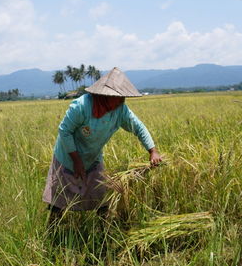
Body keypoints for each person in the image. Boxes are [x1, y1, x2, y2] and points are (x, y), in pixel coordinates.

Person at [42, 67, 162, 221]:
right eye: (117, 97)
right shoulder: (81, 106)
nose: (121, 100)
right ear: (104, 95)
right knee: (58, 203)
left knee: (101, 199)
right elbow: (64, 132)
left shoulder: (120, 110)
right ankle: (53, 233)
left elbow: (138, 127)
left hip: (93, 158)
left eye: (123, 97)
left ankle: (103, 230)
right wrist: (77, 161)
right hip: (67, 157)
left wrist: (152, 150)